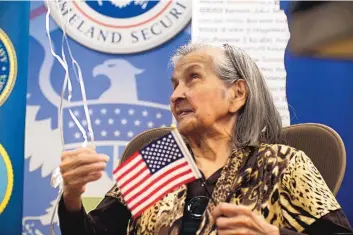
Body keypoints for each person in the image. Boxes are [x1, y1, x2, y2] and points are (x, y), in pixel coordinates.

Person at [58, 43, 352, 235]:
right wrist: (71, 197)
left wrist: (272, 234)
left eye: (193, 78)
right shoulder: (158, 160)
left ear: (237, 94)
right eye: (174, 85)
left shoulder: (282, 163)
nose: (176, 96)